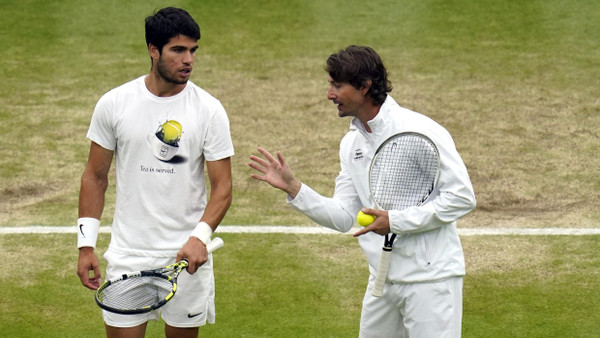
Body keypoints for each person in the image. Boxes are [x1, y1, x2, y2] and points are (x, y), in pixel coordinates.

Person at [249, 45, 476, 337]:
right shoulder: (352, 144)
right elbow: (344, 216)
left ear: (365, 87)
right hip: (382, 281)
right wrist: (295, 189)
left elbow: (462, 198)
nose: (329, 94)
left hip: (431, 280)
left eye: (337, 85)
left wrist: (394, 222)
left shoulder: (421, 130)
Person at [76, 7, 234, 338]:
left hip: (187, 256)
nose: (188, 59)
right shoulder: (115, 103)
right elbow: (95, 177)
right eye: (178, 50)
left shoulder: (209, 110)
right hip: (129, 256)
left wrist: (199, 238)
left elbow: (223, 188)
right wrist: (86, 245)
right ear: (153, 50)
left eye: (193, 50)